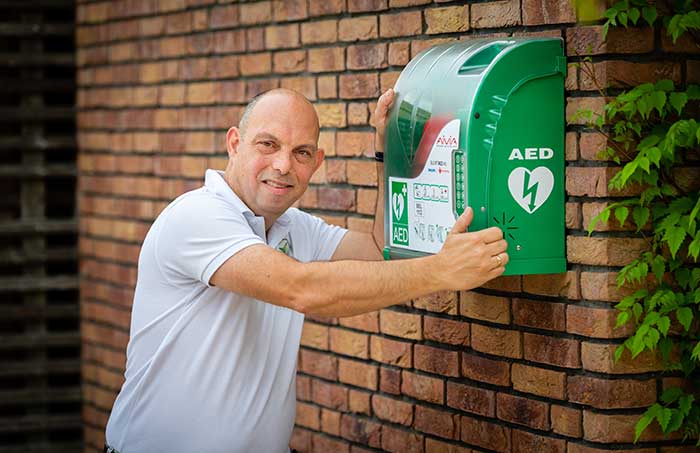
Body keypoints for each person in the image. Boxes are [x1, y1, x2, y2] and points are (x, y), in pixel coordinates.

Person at [104, 88, 508, 453]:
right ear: (234, 144)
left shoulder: (293, 226)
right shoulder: (196, 215)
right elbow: (303, 289)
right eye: (268, 144)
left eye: (300, 153)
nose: (282, 165)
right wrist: (441, 271)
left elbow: (377, 251)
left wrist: (387, 153)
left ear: (315, 163)